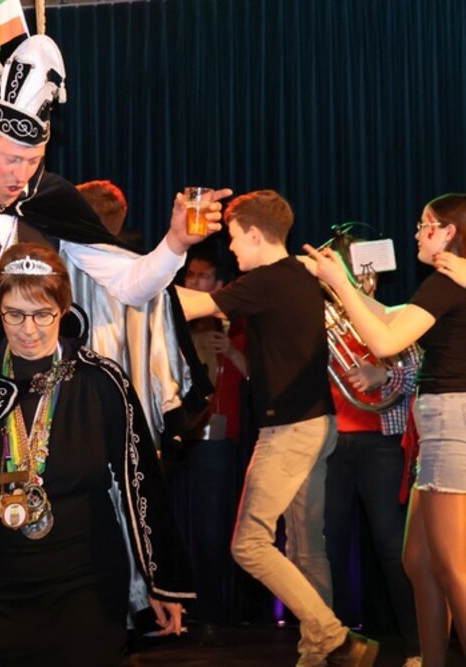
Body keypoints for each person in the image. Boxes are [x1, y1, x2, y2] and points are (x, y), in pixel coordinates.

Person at [0, 34, 227, 530]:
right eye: (11, 159)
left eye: (34, 160)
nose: (21, 175)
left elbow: (130, 286)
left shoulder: (51, 202)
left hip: (42, 396)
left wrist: (174, 244)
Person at [0, 242, 193, 665]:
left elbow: (142, 482)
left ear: (63, 309)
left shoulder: (102, 381)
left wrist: (161, 581)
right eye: (14, 314)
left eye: (42, 314)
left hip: (87, 589)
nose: (29, 329)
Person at [177, 189, 378, 666]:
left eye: (232, 237)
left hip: (289, 430)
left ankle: (335, 638)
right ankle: (317, 654)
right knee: (307, 547)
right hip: (317, 424)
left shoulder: (266, 279)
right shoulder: (296, 276)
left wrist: (141, 278)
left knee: (248, 544)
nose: (230, 248)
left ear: (253, 233)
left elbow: (193, 307)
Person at [303, 194, 466, 667]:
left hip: (452, 422)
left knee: (453, 566)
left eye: (424, 224)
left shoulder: (447, 281)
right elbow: (392, 316)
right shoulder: (447, 282)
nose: (416, 232)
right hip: (438, 425)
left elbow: (386, 340)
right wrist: (343, 285)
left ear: (448, 232)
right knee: (419, 561)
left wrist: (341, 283)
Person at [318, 235, 421, 665]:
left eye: (368, 271)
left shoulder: (392, 316)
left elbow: (419, 370)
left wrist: (384, 377)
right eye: (356, 271)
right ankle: (337, 644)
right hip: (328, 443)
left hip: (381, 442)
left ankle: (418, 645)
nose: (366, 279)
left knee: (392, 547)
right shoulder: (321, 318)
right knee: (329, 547)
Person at [167, 246, 248, 642]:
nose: (195, 283)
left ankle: (214, 612)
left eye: (204, 277)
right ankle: (178, 608)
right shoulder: (169, 317)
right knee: (175, 525)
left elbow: (259, 375)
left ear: (218, 284)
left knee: (212, 529)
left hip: (216, 437)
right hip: (174, 437)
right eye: (191, 276)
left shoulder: (235, 323)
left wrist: (229, 349)